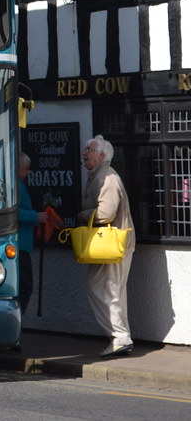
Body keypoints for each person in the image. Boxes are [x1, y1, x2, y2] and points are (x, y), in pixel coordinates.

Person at [79, 134, 136, 357]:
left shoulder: (107, 178)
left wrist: (83, 215)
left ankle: (120, 337)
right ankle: (120, 336)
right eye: (85, 149)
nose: (84, 153)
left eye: (89, 150)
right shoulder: (98, 175)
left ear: (102, 155)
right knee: (110, 290)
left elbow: (105, 213)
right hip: (108, 244)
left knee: (105, 289)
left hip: (113, 244)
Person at [17, 152, 48, 314]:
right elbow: (14, 212)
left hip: (23, 243)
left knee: (24, 286)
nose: (28, 172)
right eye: (26, 168)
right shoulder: (15, 185)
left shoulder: (20, 184)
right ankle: (16, 322)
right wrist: (36, 216)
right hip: (19, 244)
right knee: (24, 287)